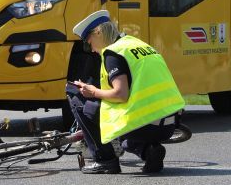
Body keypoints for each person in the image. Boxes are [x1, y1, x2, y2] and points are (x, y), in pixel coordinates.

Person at [67, 10, 186, 174]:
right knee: (126, 142)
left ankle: (105, 161)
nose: (91, 49)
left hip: (143, 122)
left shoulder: (113, 54)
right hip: (169, 123)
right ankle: (149, 151)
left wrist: (93, 92)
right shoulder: (137, 44)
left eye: (89, 42)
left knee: (77, 99)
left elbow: (121, 94)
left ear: (99, 32)